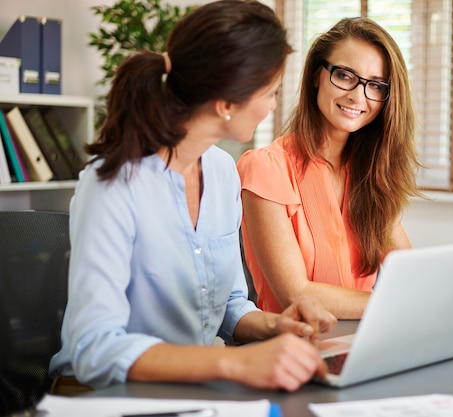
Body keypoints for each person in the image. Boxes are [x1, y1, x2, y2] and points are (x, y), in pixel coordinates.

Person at [49, 0, 336, 394]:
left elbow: (228, 307)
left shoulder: (221, 174)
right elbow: (93, 350)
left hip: (190, 390)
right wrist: (235, 362)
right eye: (270, 93)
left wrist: (275, 325)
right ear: (226, 104)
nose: (273, 106)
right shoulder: (111, 186)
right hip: (102, 395)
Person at [237, 17, 453, 320]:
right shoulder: (266, 168)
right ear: (315, 77)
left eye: (376, 85)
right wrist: (429, 300)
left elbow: (409, 270)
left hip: (365, 338)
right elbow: (298, 295)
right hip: (290, 351)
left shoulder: (369, 173)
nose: (358, 95)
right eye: (345, 75)